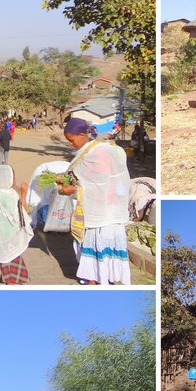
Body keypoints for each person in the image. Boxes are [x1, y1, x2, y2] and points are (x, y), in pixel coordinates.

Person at [55, 118, 132, 285]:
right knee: (93, 242)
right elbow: (87, 179)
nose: (70, 144)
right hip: (101, 207)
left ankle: (97, 278)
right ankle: (96, 277)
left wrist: (73, 188)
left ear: (82, 135)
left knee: (98, 240)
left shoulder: (97, 153)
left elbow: (99, 182)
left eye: (71, 140)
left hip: (103, 210)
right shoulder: (91, 151)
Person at [0, 165, 33, 285]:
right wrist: (23, 194)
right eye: (13, 177)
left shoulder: (0, 192)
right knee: (12, 255)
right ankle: (11, 281)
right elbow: (18, 215)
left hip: (1, 231)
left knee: (1, 253)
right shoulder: (9, 196)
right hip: (11, 232)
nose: (14, 179)